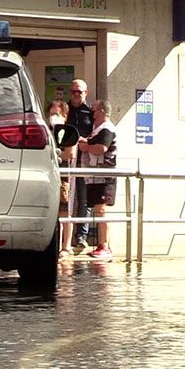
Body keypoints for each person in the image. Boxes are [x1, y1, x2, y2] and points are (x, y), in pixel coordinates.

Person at [77, 99, 117, 259]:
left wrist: (86, 147)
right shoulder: (97, 129)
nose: (91, 114)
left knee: (101, 210)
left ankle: (104, 246)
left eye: (93, 111)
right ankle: (101, 245)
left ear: (101, 111)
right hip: (94, 176)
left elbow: (102, 148)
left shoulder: (107, 128)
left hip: (104, 176)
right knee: (98, 210)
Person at [65, 79, 94, 253]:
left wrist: (85, 140)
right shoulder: (65, 109)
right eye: (73, 91)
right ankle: (63, 241)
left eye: (80, 92)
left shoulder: (91, 112)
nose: (76, 95)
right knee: (65, 199)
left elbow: (95, 134)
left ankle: (81, 237)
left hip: (84, 159)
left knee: (84, 199)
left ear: (86, 93)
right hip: (66, 159)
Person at [47, 100, 76, 256]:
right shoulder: (47, 131)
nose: (54, 117)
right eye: (51, 114)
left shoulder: (69, 131)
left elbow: (70, 153)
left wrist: (54, 154)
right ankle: (55, 246)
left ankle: (66, 246)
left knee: (66, 211)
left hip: (64, 175)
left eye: (57, 114)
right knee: (53, 212)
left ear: (64, 115)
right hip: (50, 175)